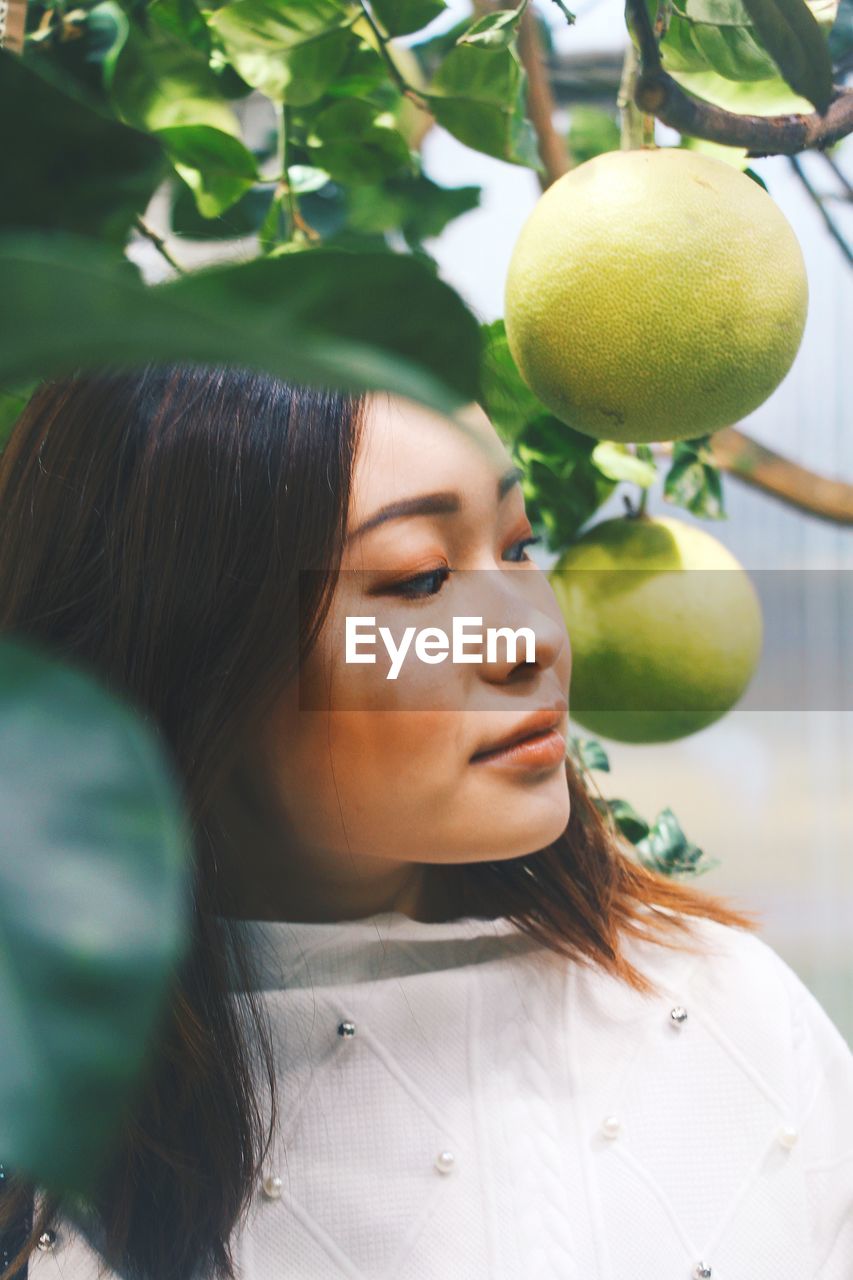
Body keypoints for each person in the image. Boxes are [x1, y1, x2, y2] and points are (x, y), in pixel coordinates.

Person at [0, 365, 851, 1280]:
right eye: (420, 579)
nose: (532, 637)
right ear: (188, 651)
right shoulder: (42, 1117)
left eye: (522, 548)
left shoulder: (728, 1016)